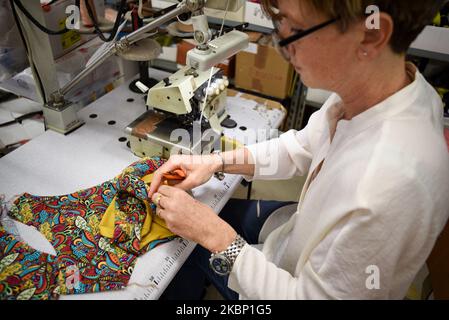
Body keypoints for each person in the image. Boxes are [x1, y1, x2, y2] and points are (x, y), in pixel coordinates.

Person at [148, 0, 449, 299]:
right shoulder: (377, 89)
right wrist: (215, 162)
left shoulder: (387, 187)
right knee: (205, 216)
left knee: (181, 247)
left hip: (291, 287)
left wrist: (213, 235)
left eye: (296, 29)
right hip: (292, 238)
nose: (283, 45)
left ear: (372, 33)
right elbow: (301, 148)